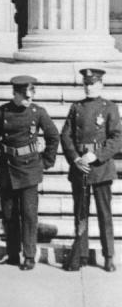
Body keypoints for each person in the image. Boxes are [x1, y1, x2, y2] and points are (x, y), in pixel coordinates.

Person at [0, 75, 59, 270]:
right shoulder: (1, 112)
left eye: (31, 95)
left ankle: (29, 255)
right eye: (25, 96)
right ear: (14, 93)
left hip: (30, 169)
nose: (29, 99)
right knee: (9, 214)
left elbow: (53, 136)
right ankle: (13, 253)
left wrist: (46, 162)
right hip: (6, 168)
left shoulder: (37, 112)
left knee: (29, 215)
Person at [60, 68, 122, 272]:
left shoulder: (109, 107)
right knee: (81, 214)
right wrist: (76, 158)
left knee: (105, 214)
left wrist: (96, 155)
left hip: (101, 167)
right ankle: (82, 254)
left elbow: (117, 138)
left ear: (101, 84)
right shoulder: (76, 107)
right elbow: (66, 136)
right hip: (81, 168)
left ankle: (108, 255)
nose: (89, 87)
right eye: (86, 84)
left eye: (93, 83)